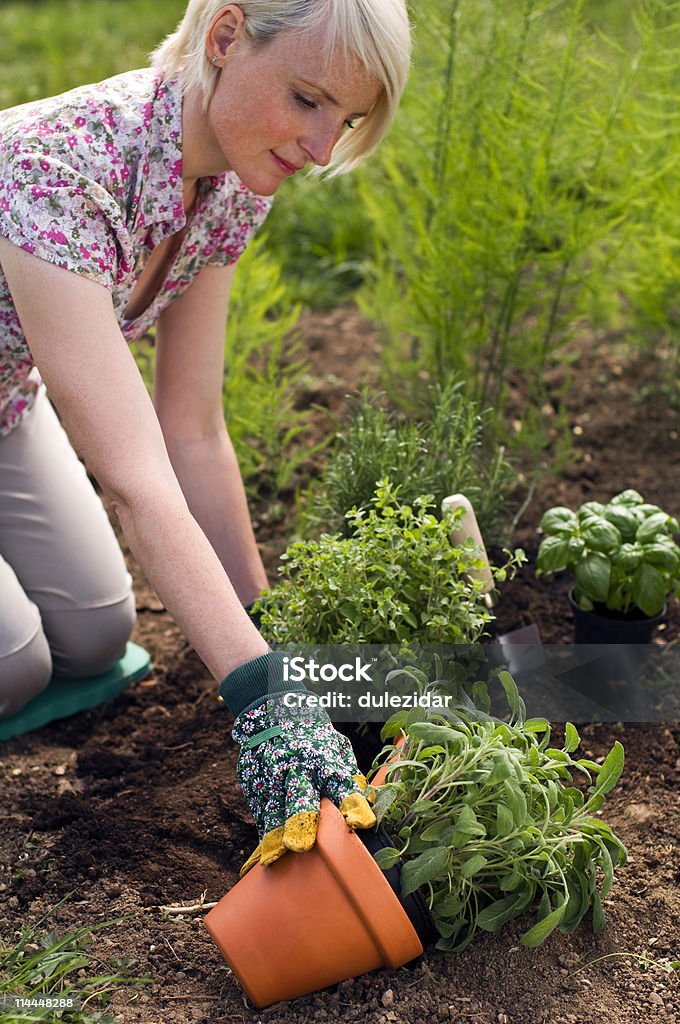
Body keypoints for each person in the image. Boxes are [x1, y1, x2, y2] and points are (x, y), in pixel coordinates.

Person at [0, 0, 411, 872]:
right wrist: (260, 698)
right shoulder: (53, 168)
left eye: (346, 120)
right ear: (225, 38)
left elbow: (191, 431)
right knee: (17, 665)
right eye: (307, 99)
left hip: (6, 408)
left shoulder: (224, 187)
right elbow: (137, 481)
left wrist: (274, 639)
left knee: (99, 633)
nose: (321, 148)